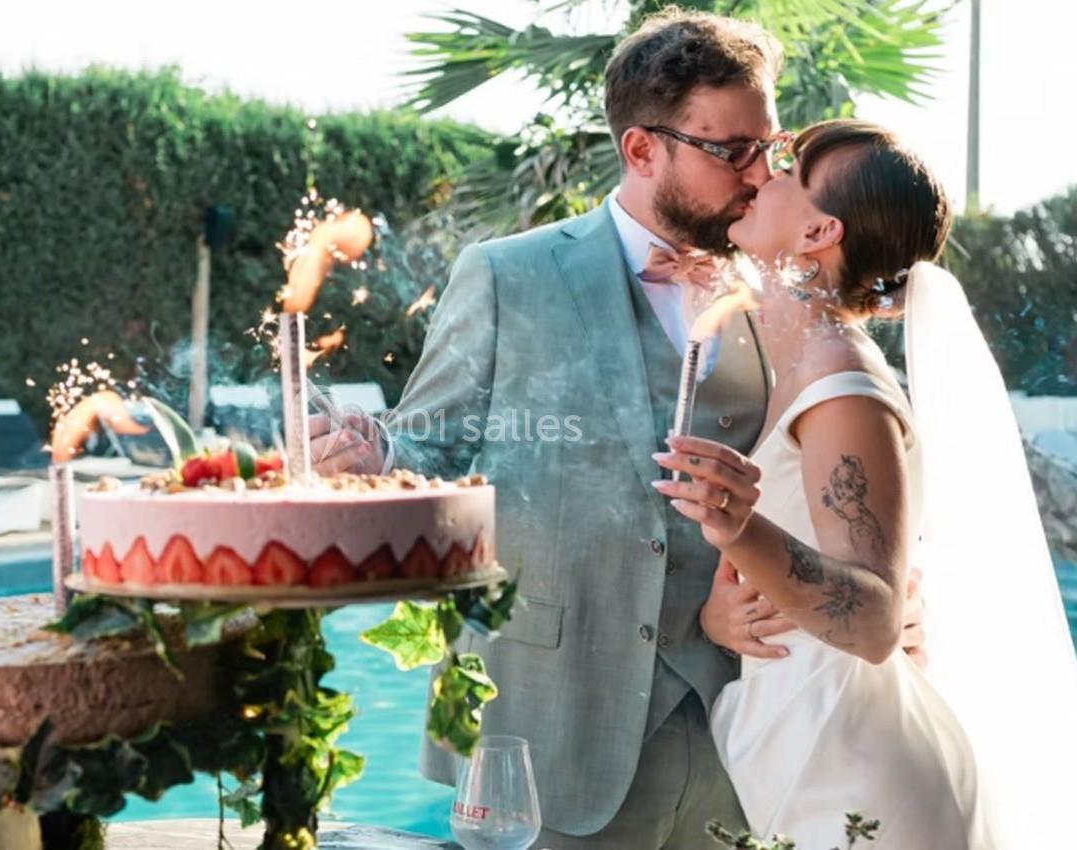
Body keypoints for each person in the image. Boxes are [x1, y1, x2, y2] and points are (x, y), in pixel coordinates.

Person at [311, 11, 920, 848]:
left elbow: (853, 470)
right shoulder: (507, 275)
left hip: (739, 720)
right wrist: (370, 459)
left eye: (768, 148)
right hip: (549, 720)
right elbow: (429, 454)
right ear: (642, 151)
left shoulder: (787, 285)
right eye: (730, 150)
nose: (756, 174)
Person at [661, 119, 1077, 848]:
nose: (759, 175)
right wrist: (716, 619)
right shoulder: (800, 355)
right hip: (807, 744)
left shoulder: (843, 389)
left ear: (821, 230)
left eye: (787, 172)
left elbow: (876, 620)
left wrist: (735, 524)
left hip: (858, 776)